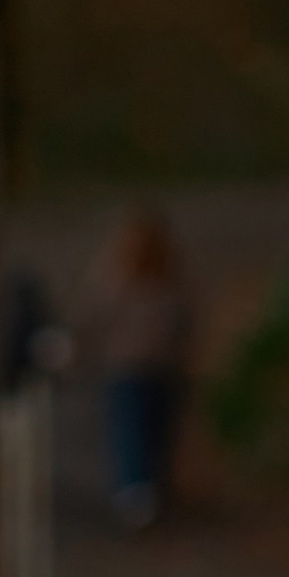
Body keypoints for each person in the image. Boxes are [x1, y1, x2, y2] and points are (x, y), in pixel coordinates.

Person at [87, 207, 194, 529]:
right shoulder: (117, 280)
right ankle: (135, 492)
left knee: (155, 433)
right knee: (130, 431)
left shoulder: (172, 281)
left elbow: (187, 323)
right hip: (127, 371)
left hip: (161, 370)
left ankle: (149, 491)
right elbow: (94, 316)